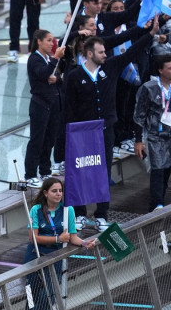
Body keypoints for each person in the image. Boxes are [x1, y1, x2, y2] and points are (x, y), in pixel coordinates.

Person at [65, 26, 156, 228]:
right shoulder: (74, 75)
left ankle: (101, 214)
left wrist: (149, 34)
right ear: (90, 54)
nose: (105, 54)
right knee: (81, 171)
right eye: (101, 52)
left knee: (103, 171)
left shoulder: (111, 67)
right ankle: (79, 213)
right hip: (83, 132)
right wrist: (70, 133)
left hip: (106, 130)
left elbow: (131, 52)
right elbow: (69, 107)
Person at [16, 178, 94, 310]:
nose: (58, 194)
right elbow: (32, 237)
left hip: (56, 257)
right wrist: (57, 238)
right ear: (45, 193)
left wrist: (83, 243)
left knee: (50, 295)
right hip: (36, 255)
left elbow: (72, 237)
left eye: (60, 190)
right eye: (54, 191)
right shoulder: (37, 210)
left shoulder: (68, 210)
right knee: (34, 296)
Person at [24, 30, 66, 185]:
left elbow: (57, 78)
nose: (52, 43)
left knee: (49, 140)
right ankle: (30, 175)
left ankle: (45, 171)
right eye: (48, 40)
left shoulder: (49, 59)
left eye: (52, 40)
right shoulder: (35, 59)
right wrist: (55, 59)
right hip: (39, 104)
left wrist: (56, 78)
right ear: (39, 41)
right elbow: (43, 73)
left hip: (53, 104)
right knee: (37, 140)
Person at [134, 55, 171, 210]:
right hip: (155, 134)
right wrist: (138, 140)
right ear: (160, 70)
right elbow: (139, 114)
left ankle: (158, 200)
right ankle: (156, 205)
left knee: (167, 168)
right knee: (158, 168)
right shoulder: (149, 87)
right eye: (169, 68)